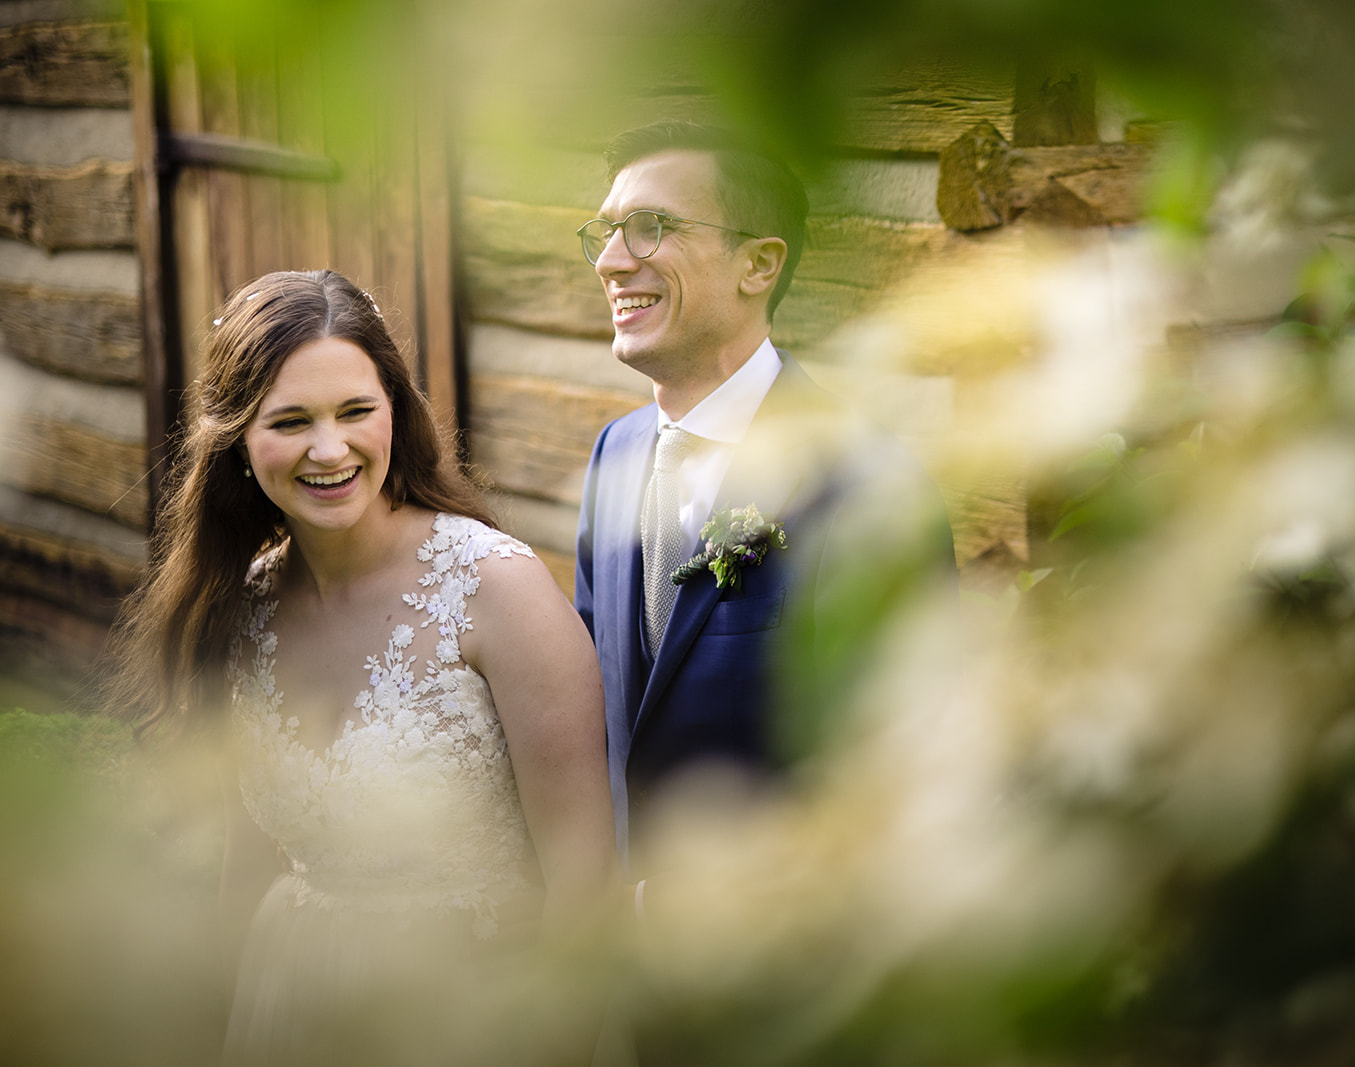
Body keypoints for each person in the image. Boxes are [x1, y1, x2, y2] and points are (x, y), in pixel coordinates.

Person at [106, 270, 617, 1065]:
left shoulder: (498, 592)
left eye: (355, 411)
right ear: (238, 438)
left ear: (395, 414)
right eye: (290, 420)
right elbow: (249, 861)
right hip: (290, 1000)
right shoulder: (243, 607)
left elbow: (585, 887)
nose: (329, 448)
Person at [573, 122, 957, 882]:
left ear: (758, 263)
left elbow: (909, 770)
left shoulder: (866, 481)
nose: (614, 262)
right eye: (607, 234)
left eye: (651, 229)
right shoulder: (613, 454)